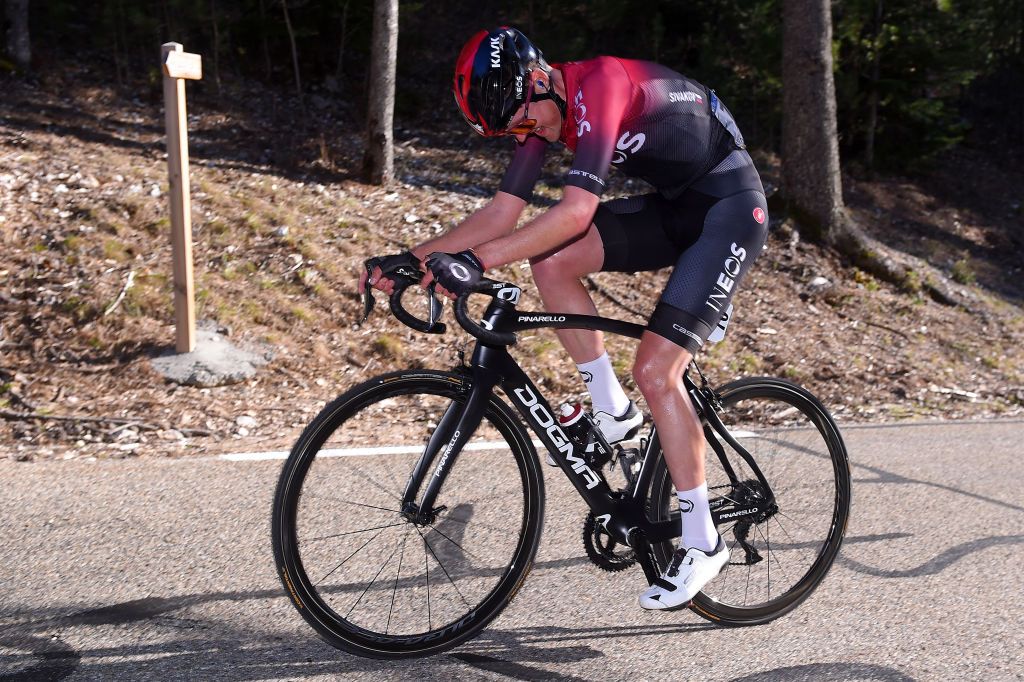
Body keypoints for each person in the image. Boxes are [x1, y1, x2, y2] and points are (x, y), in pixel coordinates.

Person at [360, 27, 769, 610]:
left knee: (656, 371)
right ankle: (612, 410)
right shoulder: (539, 107)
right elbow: (504, 212)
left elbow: (577, 211)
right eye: (511, 131)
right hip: (676, 208)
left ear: (537, 80)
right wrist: (416, 258)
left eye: (523, 120)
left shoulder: (599, 84)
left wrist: (474, 263)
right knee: (552, 265)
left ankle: (703, 540)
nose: (526, 135)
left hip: (730, 210)